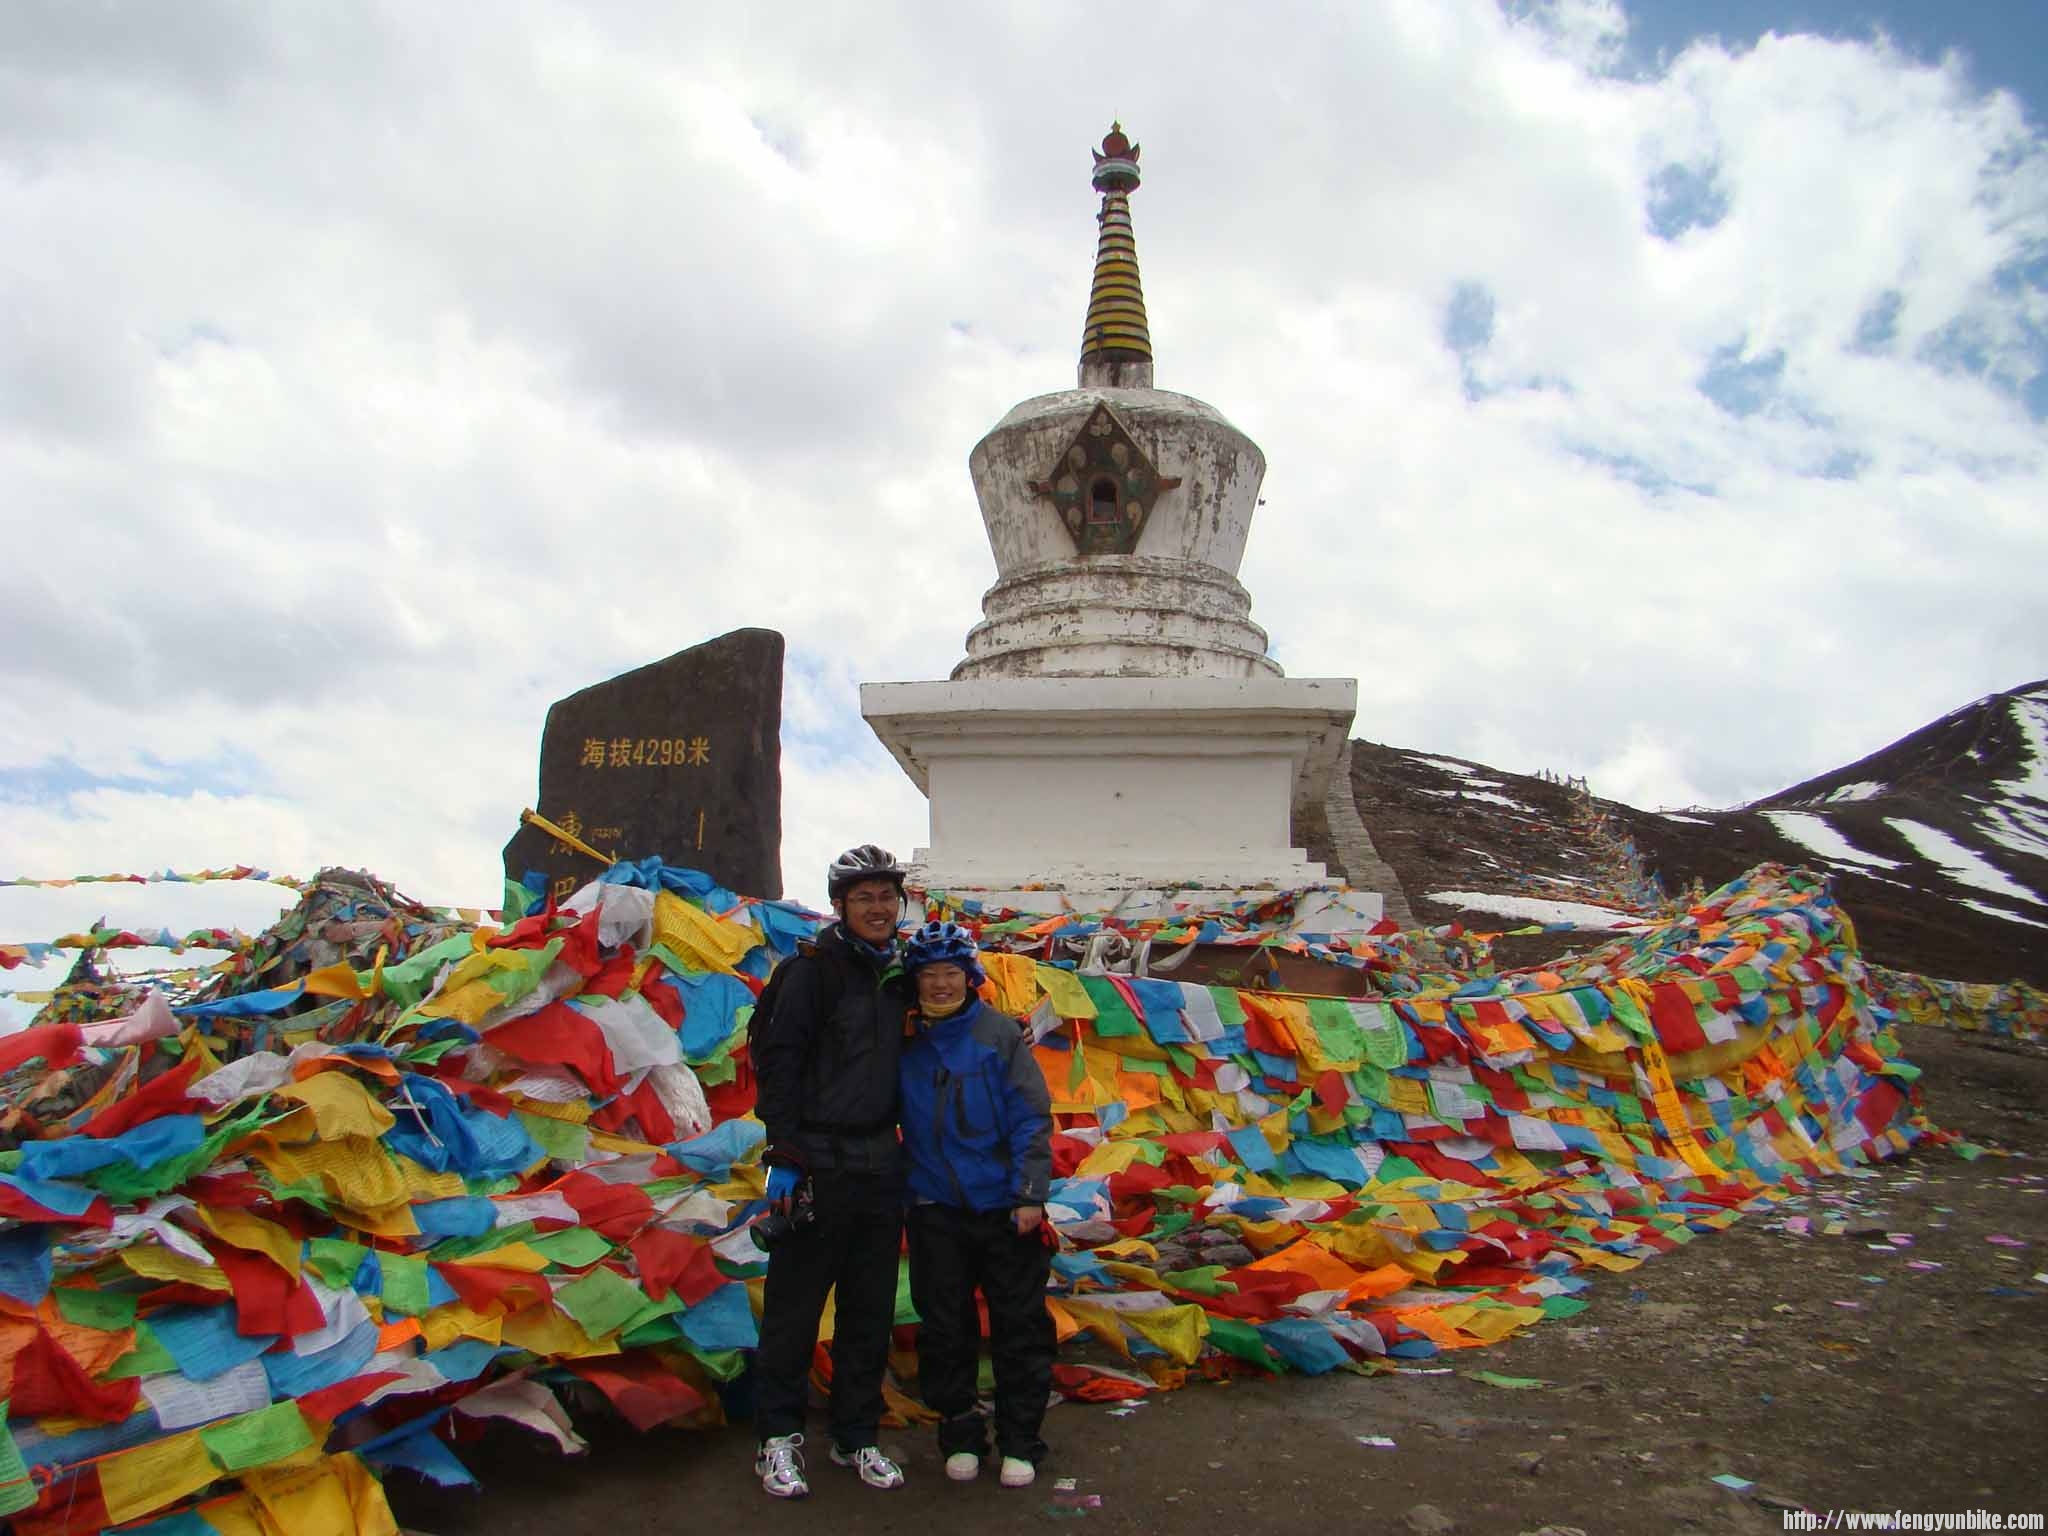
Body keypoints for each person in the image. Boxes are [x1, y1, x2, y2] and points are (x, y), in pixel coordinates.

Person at [749, 844, 913, 1499]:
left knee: (869, 1313)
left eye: (887, 896)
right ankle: (776, 1440)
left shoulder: (902, 973)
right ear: (841, 906)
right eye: (864, 896)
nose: (878, 908)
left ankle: (856, 1436)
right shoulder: (810, 973)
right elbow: (777, 1062)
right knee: (793, 1314)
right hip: (817, 1165)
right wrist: (784, 1153)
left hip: (882, 1164)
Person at [897, 919, 1056, 1489]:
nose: (941, 984)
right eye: (929, 974)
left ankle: (1020, 1440)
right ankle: (960, 1434)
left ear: (970, 977)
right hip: (934, 1205)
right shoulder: (904, 1042)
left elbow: (1031, 1116)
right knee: (945, 1328)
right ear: (914, 982)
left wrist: (1029, 1193)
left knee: (1018, 1326)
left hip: (1004, 1208)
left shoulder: (998, 1035)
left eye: (951, 973)